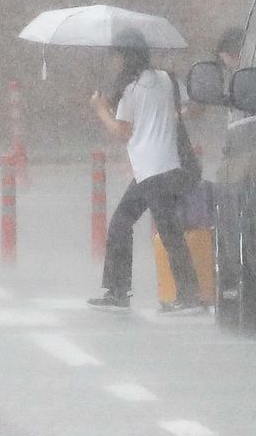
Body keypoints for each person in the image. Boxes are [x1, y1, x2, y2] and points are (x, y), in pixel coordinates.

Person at [86, 30, 202, 314]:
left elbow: (121, 132)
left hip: (151, 170)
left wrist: (100, 109)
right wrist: (166, 118)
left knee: (163, 229)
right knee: (128, 223)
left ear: (125, 57)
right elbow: (192, 109)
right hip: (166, 165)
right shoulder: (166, 79)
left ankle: (187, 296)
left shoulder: (132, 89)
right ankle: (119, 291)